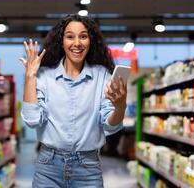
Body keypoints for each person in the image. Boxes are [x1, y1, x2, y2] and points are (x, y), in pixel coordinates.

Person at [20, 14, 127, 188]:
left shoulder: (102, 75)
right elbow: (32, 120)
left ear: (90, 41)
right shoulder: (44, 76)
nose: (77, 43)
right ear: (61, 41)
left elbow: (110, 125)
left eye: (83, 36)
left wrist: (120, 107)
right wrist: (30, 77)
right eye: (70, 36)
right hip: (48, 168)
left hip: (88, 169)